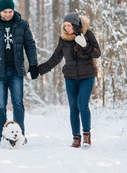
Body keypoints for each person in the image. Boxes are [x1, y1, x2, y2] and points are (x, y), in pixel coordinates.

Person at [0, 0, 39, 145]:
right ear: (0, 10)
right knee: (0, 105)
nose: (7, 15)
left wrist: (33, 65)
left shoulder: (22, 24)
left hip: (16, 70)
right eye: (5, 12)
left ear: (14, 10)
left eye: (10, 11)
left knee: (18, 103)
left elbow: (30, 45)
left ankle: (20, 136)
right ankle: (2, 135)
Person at [38, 12, 101, 148]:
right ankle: (76, 137)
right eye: (65, 25)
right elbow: (56, 58)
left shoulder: (87, 34)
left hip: (87, 76)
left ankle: (86, 135)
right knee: (73, 107)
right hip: (70, 77)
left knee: (82, 105)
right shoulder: (64, 39)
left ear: (76, 25)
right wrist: (39, 70)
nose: (66, 28)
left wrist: (85, 45)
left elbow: (97, 53)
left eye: (69, 25)